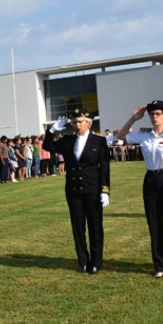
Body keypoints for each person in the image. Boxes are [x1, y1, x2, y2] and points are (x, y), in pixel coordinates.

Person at [117, 101, 163, 279]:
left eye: (158, 114)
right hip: (151, 180)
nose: (154, 117)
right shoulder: (144, 136)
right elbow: (120, 136)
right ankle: (158, 265)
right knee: (154, 226)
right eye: (152, 114)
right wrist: (133, 118)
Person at [44, 109, 111, 274]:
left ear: (88, 123)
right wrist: (51, 130)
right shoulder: (67, 140)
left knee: (95, 227)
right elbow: (47, 145)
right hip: (73, 190)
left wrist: (105, 190)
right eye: (74, 122)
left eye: (80, 121)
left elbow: (105, 167)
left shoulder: (99, 141)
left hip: (93, 189)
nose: (76, 125)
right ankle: (83, 261)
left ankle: (96, 262)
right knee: (77, 227)